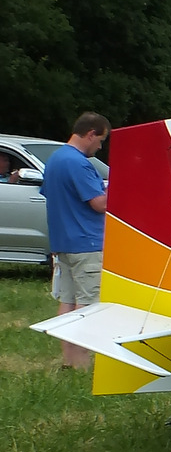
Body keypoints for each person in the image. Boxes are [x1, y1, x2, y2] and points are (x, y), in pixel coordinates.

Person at [41, 112, 110, 370]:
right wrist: (117, 187)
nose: (100, 147)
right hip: (87, 243)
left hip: (63, 242)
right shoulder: (79, 163)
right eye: (100, 140)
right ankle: (82, 365)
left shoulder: (55, 159)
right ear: (90, 133)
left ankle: (69, 361)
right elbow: (99, 203)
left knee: (67, 302)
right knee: (88, 304)